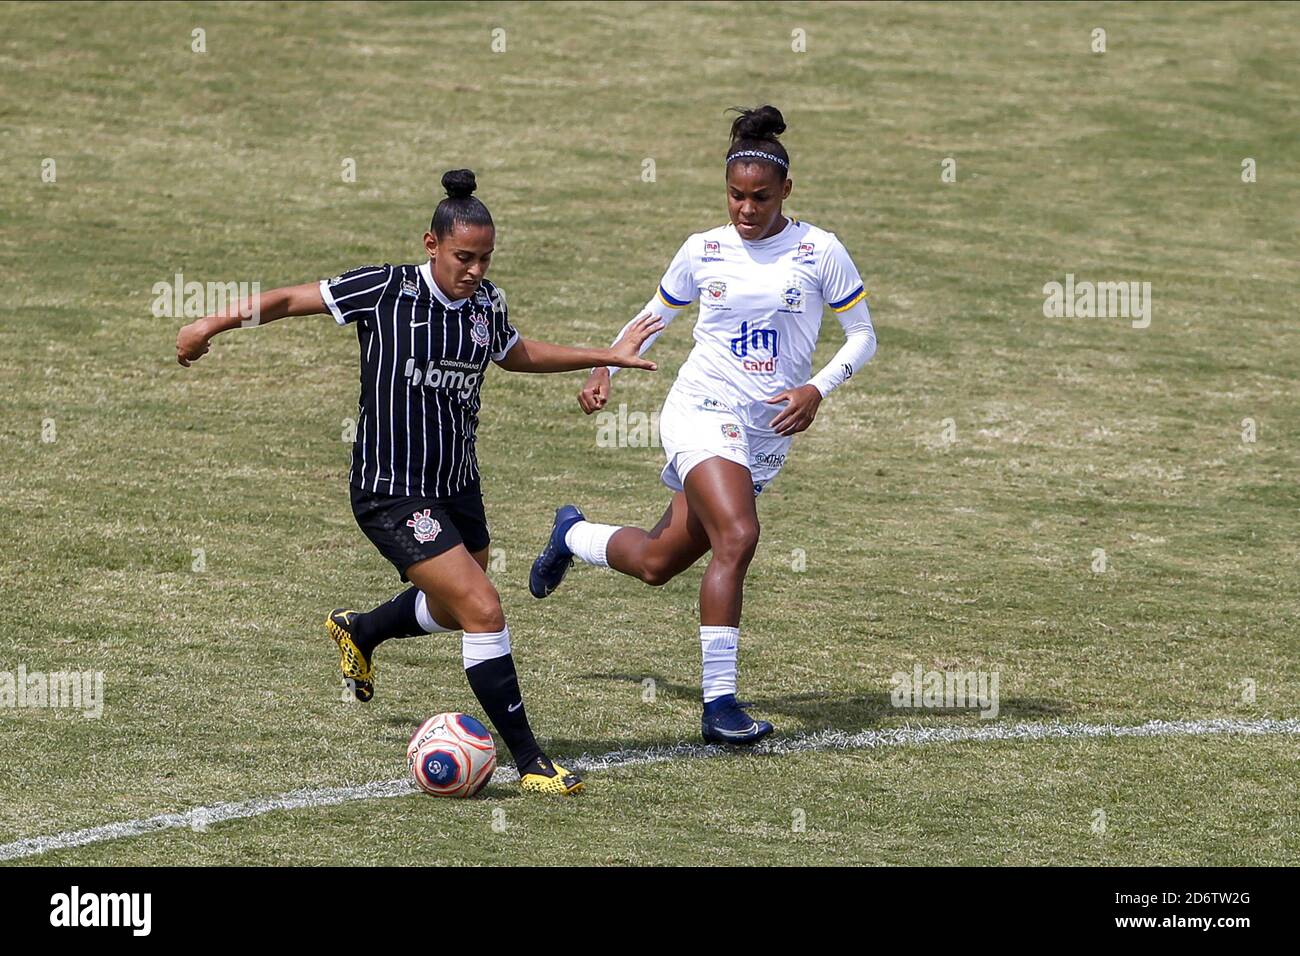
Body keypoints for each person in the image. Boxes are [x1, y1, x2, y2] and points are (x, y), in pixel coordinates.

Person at [176, 169, 662, 794]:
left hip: (457, 483)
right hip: (391, 487)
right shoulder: (385, 289)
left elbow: (513, 353)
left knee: (459, 606)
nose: (476, 270)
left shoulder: (486, 303)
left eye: (485, 258)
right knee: (483, 609)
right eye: (464, 256)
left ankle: (363, 629)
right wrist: (209, 324)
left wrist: (603, 355)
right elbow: (289, 300)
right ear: (431, 244)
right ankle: (530, 762)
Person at [529, 107, 877, 745]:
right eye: (736, 196)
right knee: (738, 535)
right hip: (703, 409)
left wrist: (816, 387)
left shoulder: (819, 250)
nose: (747, 209)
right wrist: (607, 366)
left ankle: (573, 536)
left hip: (768, 428)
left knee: (661, 562)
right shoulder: (703, 249)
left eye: (761, 198)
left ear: (787, 192)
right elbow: (655, 313)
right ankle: (720, 707)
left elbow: (863, 337)